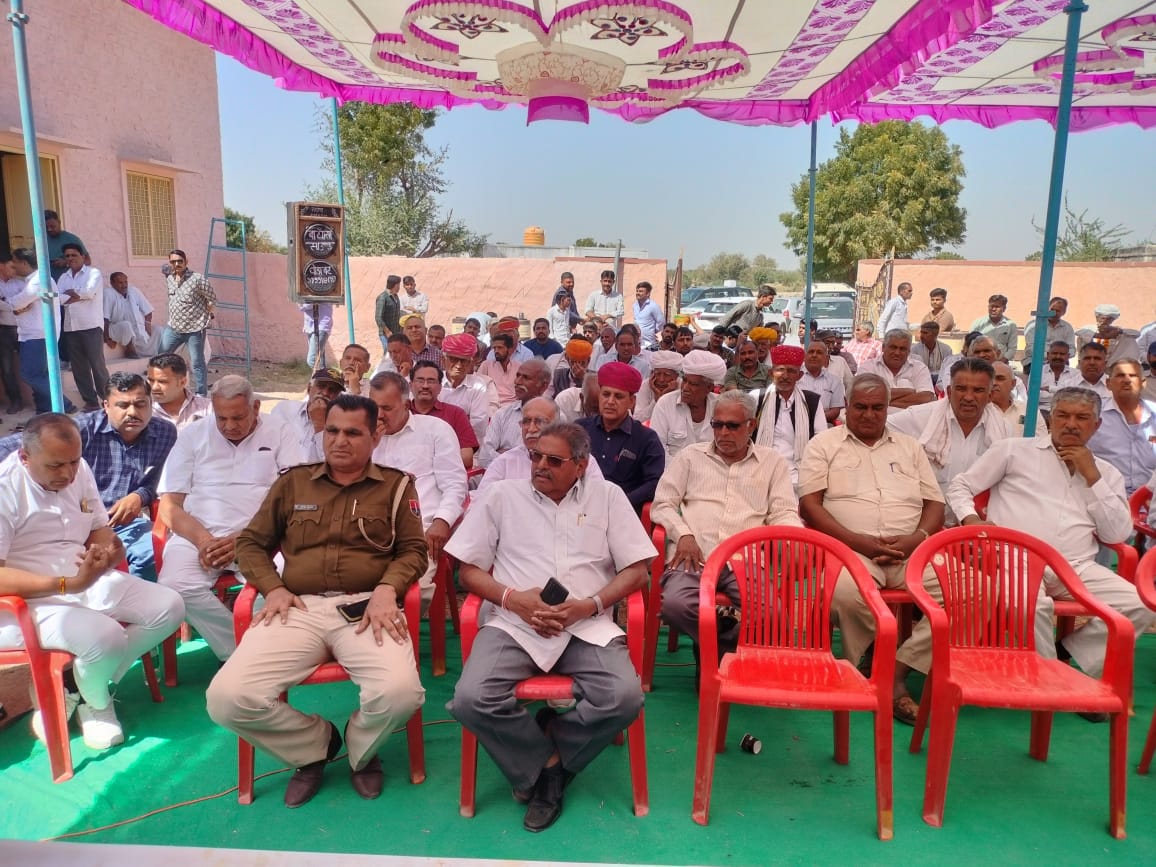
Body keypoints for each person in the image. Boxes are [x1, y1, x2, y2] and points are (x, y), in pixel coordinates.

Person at [207, 394, 428, 807]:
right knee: (227, 698)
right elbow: (251, 544)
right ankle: (315, 747)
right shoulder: (294, 483)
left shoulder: (397, 487)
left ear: (375, 436)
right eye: (333, 431)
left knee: (400, 693)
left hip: (366, 608)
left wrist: (387, 589)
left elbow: (414, 551)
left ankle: (361, 752)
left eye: (353, 433)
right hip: (297, 607)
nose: (340, 441)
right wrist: (273, 588)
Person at [446, 422, 655, 832]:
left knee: (624, 698)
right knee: (471, 699)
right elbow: (467, 571)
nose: (540, 465)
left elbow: (638, 570)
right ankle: (549, 765)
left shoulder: (608, 496)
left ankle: (546, 748)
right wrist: (513, 600)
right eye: (535, 456)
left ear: (581, 465)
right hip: (515, 623)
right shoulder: (502, 496)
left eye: (554, 460)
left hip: (585, 624)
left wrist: (589, 605)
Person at [947, 387, 1155, 706]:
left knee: (1141, 604)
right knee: (1030, 606)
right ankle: (1049, 682)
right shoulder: (1014, 451)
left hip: (1076, 567)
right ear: (1051, 418)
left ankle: (1069, 653)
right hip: (1017, 560)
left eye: (1081, 418)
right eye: (1063, 415)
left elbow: (1117, 534)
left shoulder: (1105, 473)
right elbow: (960, 485)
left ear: (1096, 425)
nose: (1071, 424)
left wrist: (1092, 477)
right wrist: (971, 519)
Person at [0, 413, 184, 749]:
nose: (68, 473)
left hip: (82, 580)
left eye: (73, 461)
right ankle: (98, 703)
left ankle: (75, 686)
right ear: (25, 457)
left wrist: (107, 552)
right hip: (25, 603)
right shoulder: (4, 488)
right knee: (106, 636)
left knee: (169, 607)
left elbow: (99, 527)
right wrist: (66, 584)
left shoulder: (78, 469)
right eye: (56, 466)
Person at [799, 374, 946, 725]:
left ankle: (897, 670)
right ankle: (878, 658)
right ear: (847, 407)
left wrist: (915, 539)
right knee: (843, 595)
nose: (868, 415)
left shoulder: (910, 447)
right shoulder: (823, 445)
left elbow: (935, 504)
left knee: (977, 591)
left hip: (911, 550)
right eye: (860, 407)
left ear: (887, 408)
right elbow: (810, 506)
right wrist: (859, 542)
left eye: (877, 408)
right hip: (851, 550)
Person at [156, 376, 300, 662]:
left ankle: (255, 649)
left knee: (287, 578)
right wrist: (204, 542)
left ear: (255, 408)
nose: (229, 426)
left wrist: (245, 539)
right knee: (174, 587)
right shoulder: (193, 435)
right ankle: (240, 652)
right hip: (199, 535)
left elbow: (296, 498)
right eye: (221, 418)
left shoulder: (281, 432)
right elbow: (169, 505)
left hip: (264, 536)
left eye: (238, 417)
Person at [651, 391, 800, 662]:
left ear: (751, 425)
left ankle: (713, 648)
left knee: (771, 616)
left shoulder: (772, 462)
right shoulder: (690, 456)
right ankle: (722, 642)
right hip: (693, 554)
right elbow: (662, 504)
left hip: (745, 559)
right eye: (717, 425)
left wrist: (793, 539)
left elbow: (783, 512)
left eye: (732, 426)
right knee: (674, 606)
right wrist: (683, 534)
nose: (723, 433)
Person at [368, 372, 467, 604]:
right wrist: (367, 446)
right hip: (366, 530)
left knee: (409, 595)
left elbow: (455, 484)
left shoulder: (435, 430)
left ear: (405, 405)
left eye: (386, 408)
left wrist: (442, 521)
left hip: (418, 533)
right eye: (374, 407)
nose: (379, 415)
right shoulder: (364, 435)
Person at [887, 358, 1010, 525]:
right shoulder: (921, 417)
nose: (968, 397)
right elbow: (876, 426)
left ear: (989, 396)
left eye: (978, 390)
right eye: (961, 389)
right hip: (923, 524)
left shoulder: (1003, 430)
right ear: (949, 391)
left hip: (977, 525)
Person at [577, 362, 665, 512]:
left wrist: (620, 501)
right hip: (578, 507)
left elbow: (654, 483)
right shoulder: (579, 429)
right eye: (606, 394)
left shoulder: (646, 439)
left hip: (623, 512)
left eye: (618, 396)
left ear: (631, 401)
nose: (610, 402)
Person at [477, 397, 604, 491]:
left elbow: (598, 499)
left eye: (540, 421)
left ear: (557, 425)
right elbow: (481, 503)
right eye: (526, 421)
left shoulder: (579, 460)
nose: (531, 429)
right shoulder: (504, 462)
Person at [754, 344, 827, 485]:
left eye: (791, 371)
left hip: (799, 471)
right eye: (780, 370)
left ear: (799, 376)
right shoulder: (757, 398)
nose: (785, 376)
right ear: (771, 373)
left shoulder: (811, 401)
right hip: (761, 468)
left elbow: (821, 438)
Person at [1088, 358, 1156, 495]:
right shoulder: (1092, 415)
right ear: (1108, 383)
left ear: (1143, 383)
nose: (1126, 380)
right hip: (1106, 496)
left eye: (1132, 375)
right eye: (1120, 375)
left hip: (1152, 497)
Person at [9, 248, 65, 414]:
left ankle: (65, 404)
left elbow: (16, 303)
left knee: (29, 374)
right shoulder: (34, 280)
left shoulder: (39, 280)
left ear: (24, 263)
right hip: (34, 334)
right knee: (40, 375)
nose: (13, 265)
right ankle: (44, 410)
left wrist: (16, 306)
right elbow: (20, 306)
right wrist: (18, 307)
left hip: (38, 335)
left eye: (15, 261)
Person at [55, 243, 109, 411]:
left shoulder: (94, 273)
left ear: (83, 257)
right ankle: (91, 402)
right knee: (79, 368)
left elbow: (89, 292)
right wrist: (75, 295)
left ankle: (108, 399)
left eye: (74, 255)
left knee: (97, 365)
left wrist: (71, 294)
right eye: (67, 256)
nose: (70, 258)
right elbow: (58, 298)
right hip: (71, 327)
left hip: (90, 325)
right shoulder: (64, 278)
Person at [157, 249, 215, 396]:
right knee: (160, 357)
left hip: (194, 329)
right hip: (174, 327)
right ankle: (164, 389)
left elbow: (212, 299)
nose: (177, 264)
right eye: (173, 261)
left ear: (186, 261)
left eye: (180, 261)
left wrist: (208, 314)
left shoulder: (197, 279)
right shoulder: (170, 278)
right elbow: (164, 269)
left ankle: (201, 394)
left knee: (197, 362)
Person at [650, 349, 724, 461]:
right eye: (684, 381)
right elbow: (657, 449)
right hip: (673, 469)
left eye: (693, 384)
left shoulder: (721, 406)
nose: (685, 388)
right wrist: (681, 469)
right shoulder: (665, 403)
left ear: (709, 388)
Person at [478, 359, 551, 467]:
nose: (517, 382)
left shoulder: (555, 418)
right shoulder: (502, 414)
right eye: (518, 376)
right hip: (501, 476)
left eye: (526, 378)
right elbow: (484, 457)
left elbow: (549, 462)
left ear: (543, 386)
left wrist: (504, 455)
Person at [409, 360, 479, 467]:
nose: (425, 386)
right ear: (410, 385)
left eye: (431, 381)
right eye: (420, 380)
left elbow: (467, 457)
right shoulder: (401, 414)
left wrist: (426, 464)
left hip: (443, 474)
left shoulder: (455, 414)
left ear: (440, 387)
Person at [269, 367, 346, 463]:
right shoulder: (284, 409)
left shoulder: (342, 425)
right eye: (321, 386)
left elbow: (332, 463)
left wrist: (320, 425)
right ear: (309, 388)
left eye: (332, 390)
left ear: (338, 398)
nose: (325, 393)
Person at [857, 329, 934, 411]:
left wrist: (881, 403)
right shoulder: (868, 367)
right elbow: (865, 396)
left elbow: (927, 398)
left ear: (909, 351)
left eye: (902, 349)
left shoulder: (919, 368)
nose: (897, 352)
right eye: (893, 347)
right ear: (883, 347)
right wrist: (908, 391)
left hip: (912, 418)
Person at [440, 332, 497, 443]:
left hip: (467, 445)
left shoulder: (478, 385)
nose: (459, 365)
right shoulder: (433, 381)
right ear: (443, 359)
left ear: (471, 362)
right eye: (453, 359)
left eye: (464, 361)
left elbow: (479, 425)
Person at [147, 352, 212, 430]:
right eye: (151, 380)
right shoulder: (143, 411)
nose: (154, 387)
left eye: (162, 382)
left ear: (182, 382)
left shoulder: (207, 408)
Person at [103, 271, 155, 359]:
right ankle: (130, 350)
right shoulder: (108, 293)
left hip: (137, 328)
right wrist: (107, 338)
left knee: (159, 331)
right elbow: (105, 318)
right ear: (112, 284)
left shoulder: (133, 291)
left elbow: (148, 311)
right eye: (120, 283)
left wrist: (147, 326)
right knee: (126, 325)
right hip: (114, 327)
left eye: (125, 282)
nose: (124, 285)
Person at [990, 360, 1046, 436]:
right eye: (990, 379)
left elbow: (1041, 439)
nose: (994, 383)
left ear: (1013, 384)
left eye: (1000, 378)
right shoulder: (980, 411)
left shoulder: (1028, 410)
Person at [1022, 296, 1076, 375]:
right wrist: (1051, 356)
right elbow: (1031, 349)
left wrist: (1059, 356)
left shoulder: (1067, 327)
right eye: (1052, 310)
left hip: (1059, 362)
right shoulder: (1033, 325)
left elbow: (1072, 349)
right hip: (1035, 362)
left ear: (1064, 312)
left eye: (1057, 311)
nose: (1054, 313)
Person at [1076, 303, 1142, 366]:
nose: (1105, 321)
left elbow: (1137, 334)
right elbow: (1077, 331)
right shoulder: (1089, 328)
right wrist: (1101, 336)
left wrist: (1118, 331)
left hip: (1111, 363)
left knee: (1129, 339)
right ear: (1097, 318)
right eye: (1102, 318)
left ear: (1112, 320)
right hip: (1091, 361)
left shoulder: (1116, 330)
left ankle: (1127, 365)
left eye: (1109, 319)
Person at [798, 340, 845, 424]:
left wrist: (815, 419)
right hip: (797, 422)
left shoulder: (834, 381)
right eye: (811, 352)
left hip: (824, 423)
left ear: (825, 358)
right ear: (805, 356)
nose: (814, 355)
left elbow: (835, 410)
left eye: (819, 352)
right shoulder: (795, 377)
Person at [0, 253, 24, 413]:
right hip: (4, 330)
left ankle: (42, 400)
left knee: (31, 367)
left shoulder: (22, 283)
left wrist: (5, 302)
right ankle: (16, 400)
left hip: (23, 329)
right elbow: (20, 305)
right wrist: (15, 306)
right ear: (1, 266)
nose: (15, 270)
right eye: (11, 266)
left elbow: (28, 303)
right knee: (7, 368)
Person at [633, 350, 682, 423]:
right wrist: (656, 400)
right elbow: (638, 419)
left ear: (676, 376)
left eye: (667, 375)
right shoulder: (646, 385)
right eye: (658, 374)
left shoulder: (682, 386)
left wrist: (667, 395)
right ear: (652, 374)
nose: (661, 379)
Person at [1038, 340, 1080, 419]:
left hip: (1067, 412)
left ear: (1068, 356)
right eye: (1054, 353)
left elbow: (1075, 396)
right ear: (1048, 355)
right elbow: (1032, 396)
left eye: (1062, 354)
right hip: (1041, 412)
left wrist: (1049, 390)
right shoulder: (1037, 372)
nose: (1058, 357)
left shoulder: (1076, 374)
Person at [970, 294, 1018, 362]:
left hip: (1002, 362)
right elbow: (970, 345)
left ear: (1004, 308)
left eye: (997, 307)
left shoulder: (1011, 325)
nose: (993, 309)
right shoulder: (978, 324)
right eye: (991, 306)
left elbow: (1012, 348)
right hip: (980, 362)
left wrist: (1000, 362)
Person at [478, 332, 521, 407]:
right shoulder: (486, 365)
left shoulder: (518, 366)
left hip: (513, 406)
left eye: (500, 348)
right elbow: (478, 387)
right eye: (494, 348)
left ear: (510, 350)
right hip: (492, 406)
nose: (496, 351)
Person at [43, 210, 86, 282]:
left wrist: (66, 262)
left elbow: (87, 261)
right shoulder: (40, 241)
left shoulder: (72, 239)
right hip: (47, 284)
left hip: (69, 283)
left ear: (59, 222)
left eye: (52, 226)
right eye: (46, 227)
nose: (49, 229)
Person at [911, 321, 951, 388]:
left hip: (940, 383)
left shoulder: (946, 349)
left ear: (935, 335)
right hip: (920, 382)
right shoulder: (914, 349)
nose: (921, 336)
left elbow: (947, 371)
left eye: (925, 333)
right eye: (921, 332)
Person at [299, 302, 333, 369]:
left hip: (321, 326)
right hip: (310, 326)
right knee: (319, 361)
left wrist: (300, 302)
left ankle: (321, 374)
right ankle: (322, 375)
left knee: (312, 361)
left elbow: (308, 305)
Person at [632, 281, 665, 349]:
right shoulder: (635, 305)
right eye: (637, 291)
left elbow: (661, 322)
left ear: (647, 294)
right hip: (637, 342)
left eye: (641, 291)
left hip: (649, 343)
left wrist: (653, 331)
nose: (638, 293)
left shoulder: (653, 306)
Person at [374, 275, 402, 352]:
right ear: (395, 285)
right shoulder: (383, 297)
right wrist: (387, 331)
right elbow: (378, 318)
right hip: (385, 334)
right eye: (398, 285)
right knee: (388, 353)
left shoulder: (396, 296)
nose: (399, 287)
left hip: (395, 333)